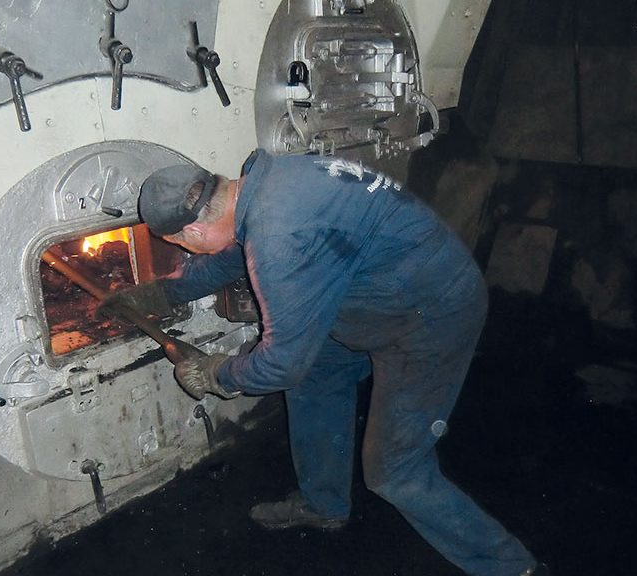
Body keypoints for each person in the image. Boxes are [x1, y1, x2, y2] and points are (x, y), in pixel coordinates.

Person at [116, 149, 546, 576]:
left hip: (432, 317)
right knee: (317, 374)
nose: (188, 250)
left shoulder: (279, 235)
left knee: (395, 471)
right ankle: (324, 504)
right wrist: (163, 293)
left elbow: (282, 363)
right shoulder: (265, 186)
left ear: (193, 229)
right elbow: (229, 252)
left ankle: (511, 567)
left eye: (181, 245)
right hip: (387, 298)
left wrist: (216, 373)